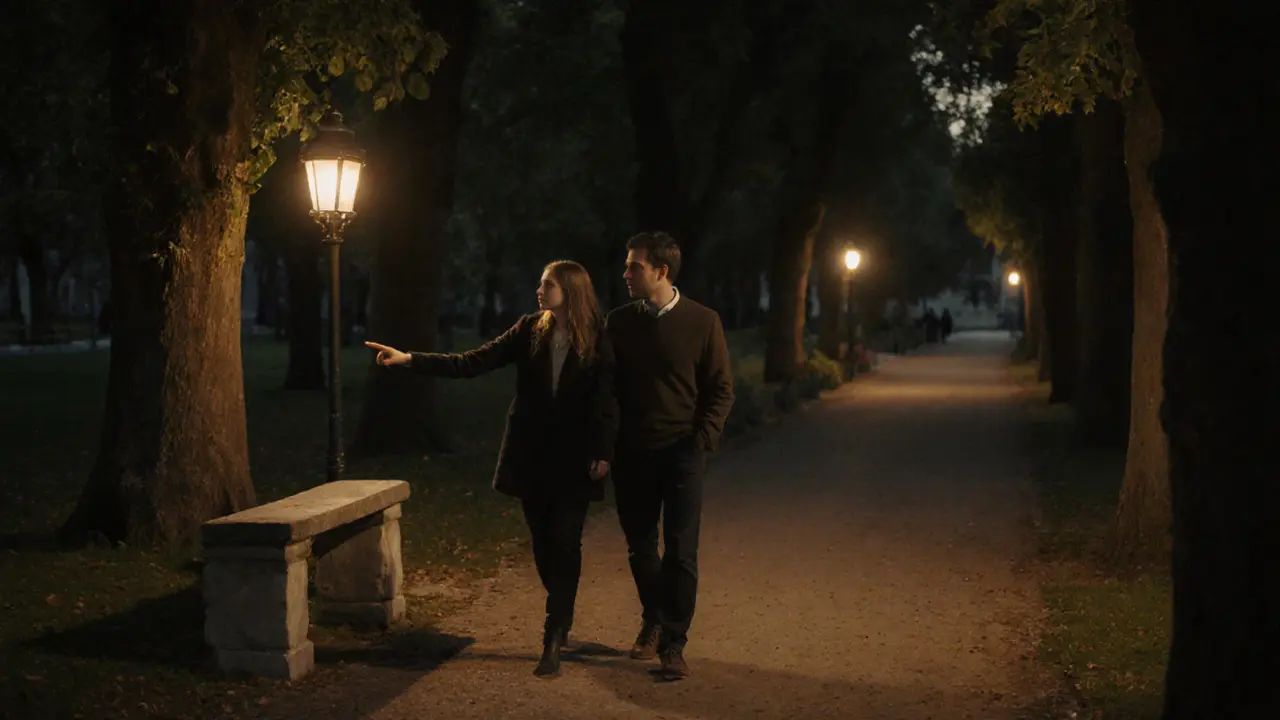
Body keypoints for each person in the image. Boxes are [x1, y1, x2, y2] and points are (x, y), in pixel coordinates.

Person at [365, 260, 617, 679]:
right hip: (533, 456)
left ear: (570, 290)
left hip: (574, 459)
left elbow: (606, 400)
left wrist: (603, 451)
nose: (539, 291)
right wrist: (409, 359)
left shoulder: (598, 338)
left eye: (548, 285)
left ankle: (553, 632)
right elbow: (473, 361)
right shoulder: (529, 330)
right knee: (543, 544)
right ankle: (563, 608)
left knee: (565, 540)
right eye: (540, 284)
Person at [605, 232, 735, 681]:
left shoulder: (703, 321)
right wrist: (607, 444)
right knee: (641, 547)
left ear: (661, 271)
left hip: (682, 453)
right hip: (632, 454)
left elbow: (721, 389)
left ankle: (674, 643)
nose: (625, 273)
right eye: (627, 265)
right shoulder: (619, 322)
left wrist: (702, 440)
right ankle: (654, 617)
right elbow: (607, 389)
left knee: (681, 551)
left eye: (634, 266)